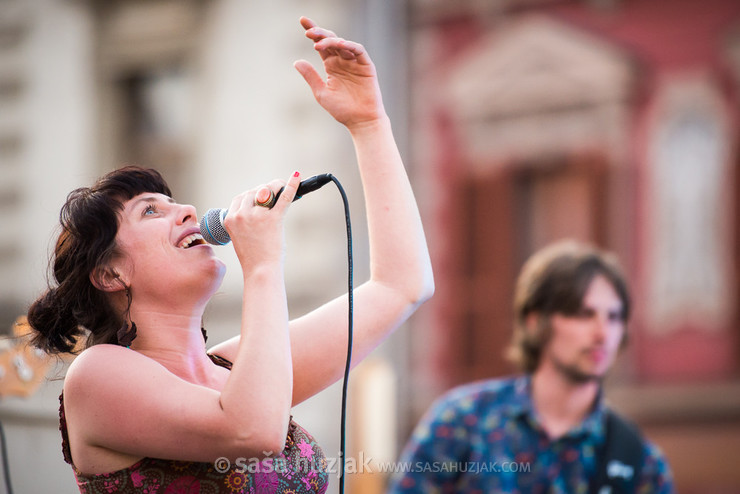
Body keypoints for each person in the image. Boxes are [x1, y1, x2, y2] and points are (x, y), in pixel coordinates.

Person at [27, 16, 433, 494]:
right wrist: (261, 265)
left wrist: (369, 124)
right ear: (110, 273)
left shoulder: (236, 368)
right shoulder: (98, 374)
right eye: (151, 211)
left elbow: (402, 286)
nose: (187, 211)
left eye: (175, 201)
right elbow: (252, 432)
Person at [389, 241, 674, 494]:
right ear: (535, 321)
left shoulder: (639, 461)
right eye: (584, 314)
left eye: (614, 317)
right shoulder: (463, 421)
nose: (603, 334)